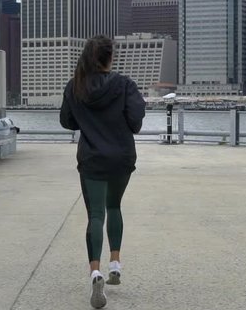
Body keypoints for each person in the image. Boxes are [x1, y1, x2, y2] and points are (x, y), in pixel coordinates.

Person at [60, 35, 146, 309]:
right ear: (111, 57)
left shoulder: (76, 86)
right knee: (115, 206)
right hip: (121, 157)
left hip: (92, 158)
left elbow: (67, 121)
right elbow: (135, 122)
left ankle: (95, 271)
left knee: (95, 214)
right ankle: (116, 265)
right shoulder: (124, 85)